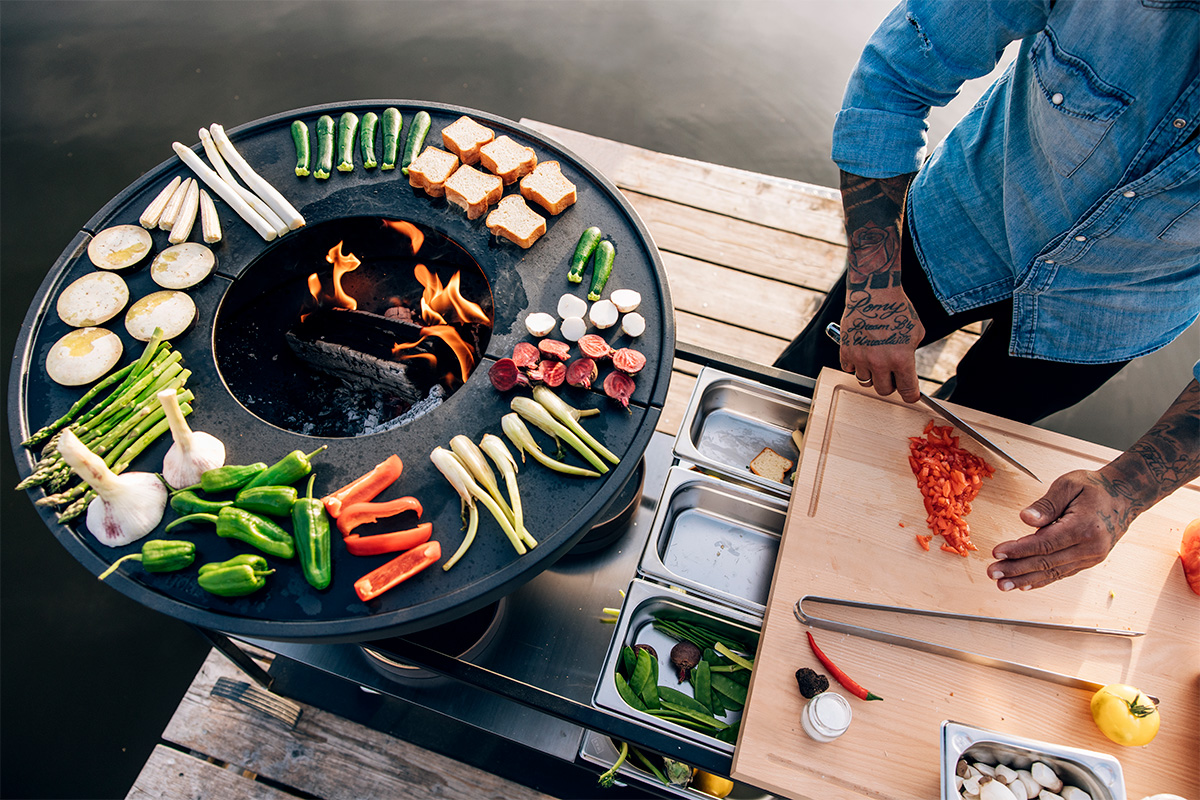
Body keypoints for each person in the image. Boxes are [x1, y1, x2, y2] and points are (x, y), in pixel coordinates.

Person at [775, 0, 1200, 591]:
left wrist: (1127, 491)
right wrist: (874, 289)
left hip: (1106, 319)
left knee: (958, 455)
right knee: (797, 392)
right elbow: (896, 74)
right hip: (962, 223)